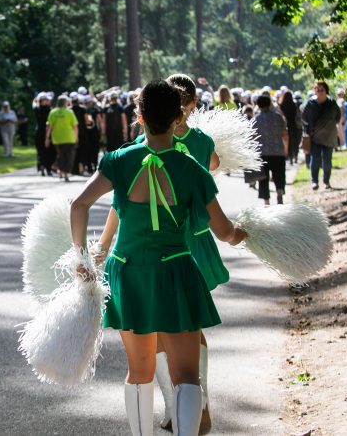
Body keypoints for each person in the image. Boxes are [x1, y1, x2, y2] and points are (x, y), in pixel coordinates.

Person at [71, 79, 246, 436]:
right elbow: (225, 232)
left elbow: (79, 205)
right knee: (186, 375)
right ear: (179, 116)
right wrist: (244, 233)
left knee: (140, 372)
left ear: (139, 117)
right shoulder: (192, 170)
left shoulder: (119, 160)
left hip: (128, 273)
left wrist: (82, 259)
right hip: (176, 274)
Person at [302, 81, 341, 190]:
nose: (319, 92)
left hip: (329, 136)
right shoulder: (310, 104)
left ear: (326, 90)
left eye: (321, 90)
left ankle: (326, 182)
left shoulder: (332, 103)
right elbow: (304, 117)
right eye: (317, 90)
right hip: (315, 137)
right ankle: (314, 181)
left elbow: (338, 117)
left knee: (327, 160)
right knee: (315, 160)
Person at [252, 94, 289, 205]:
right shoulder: (278, 117)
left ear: (258, 105)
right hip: (278, 151)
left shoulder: (256, 120)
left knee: (263, 178)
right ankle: (280, 191)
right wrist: (286, 149)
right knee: (279, 174)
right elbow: (285, 134)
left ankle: (266, 201)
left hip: (262, 153)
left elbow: (252, 138)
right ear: (269, 104)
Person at [45, 95, 78, 182]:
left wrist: (47, 138)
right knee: (69, 156)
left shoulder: (53, 112)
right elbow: (75, 126)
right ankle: (66, 173)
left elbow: (49, 127)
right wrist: (76, 137)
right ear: (65, 103)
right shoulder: (69, 112)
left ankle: (60, 171)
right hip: (69, 138)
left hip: (57, 138)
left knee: (60, 155)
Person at [33, 93, 56, 176]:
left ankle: (41, 166)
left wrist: (36, 98)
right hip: (47, 132)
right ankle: (48, 169)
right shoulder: (49, 110)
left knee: (40, 151)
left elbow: (34, 103)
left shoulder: (36, 109)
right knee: (48, 151)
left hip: (38, 131)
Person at [278, 90, 301, 164]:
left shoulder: (281, 105)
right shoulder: (294, 105)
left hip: (284, 126)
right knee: (295, 142)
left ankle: (290, 157)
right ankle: (296, 157)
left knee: (288, 142)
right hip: (294, 125)